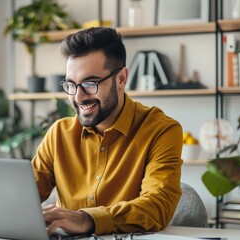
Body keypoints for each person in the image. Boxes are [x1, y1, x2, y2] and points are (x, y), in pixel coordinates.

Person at [31, 27, 183, 236]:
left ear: (121, 79)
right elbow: (22, 198)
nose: (78, 97)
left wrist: (88, 220)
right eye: (71, 84)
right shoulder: (59, 133)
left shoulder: (161, 130)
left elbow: (158, 206)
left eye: (89, 83)